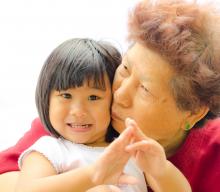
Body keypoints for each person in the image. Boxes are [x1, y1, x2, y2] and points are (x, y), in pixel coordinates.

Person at [1, 0, 220, 191]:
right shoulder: (80, 120)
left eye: (145, 89)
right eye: (125, 69)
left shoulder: (210, 152)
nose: (119, 94)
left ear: (193, 113)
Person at [11, 37, 148, 192]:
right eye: (66, 96)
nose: (78, 111)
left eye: (93, 97)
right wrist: (93, 176)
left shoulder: (130, 149)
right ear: (47, 99)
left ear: (113, 99)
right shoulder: (51, 150)